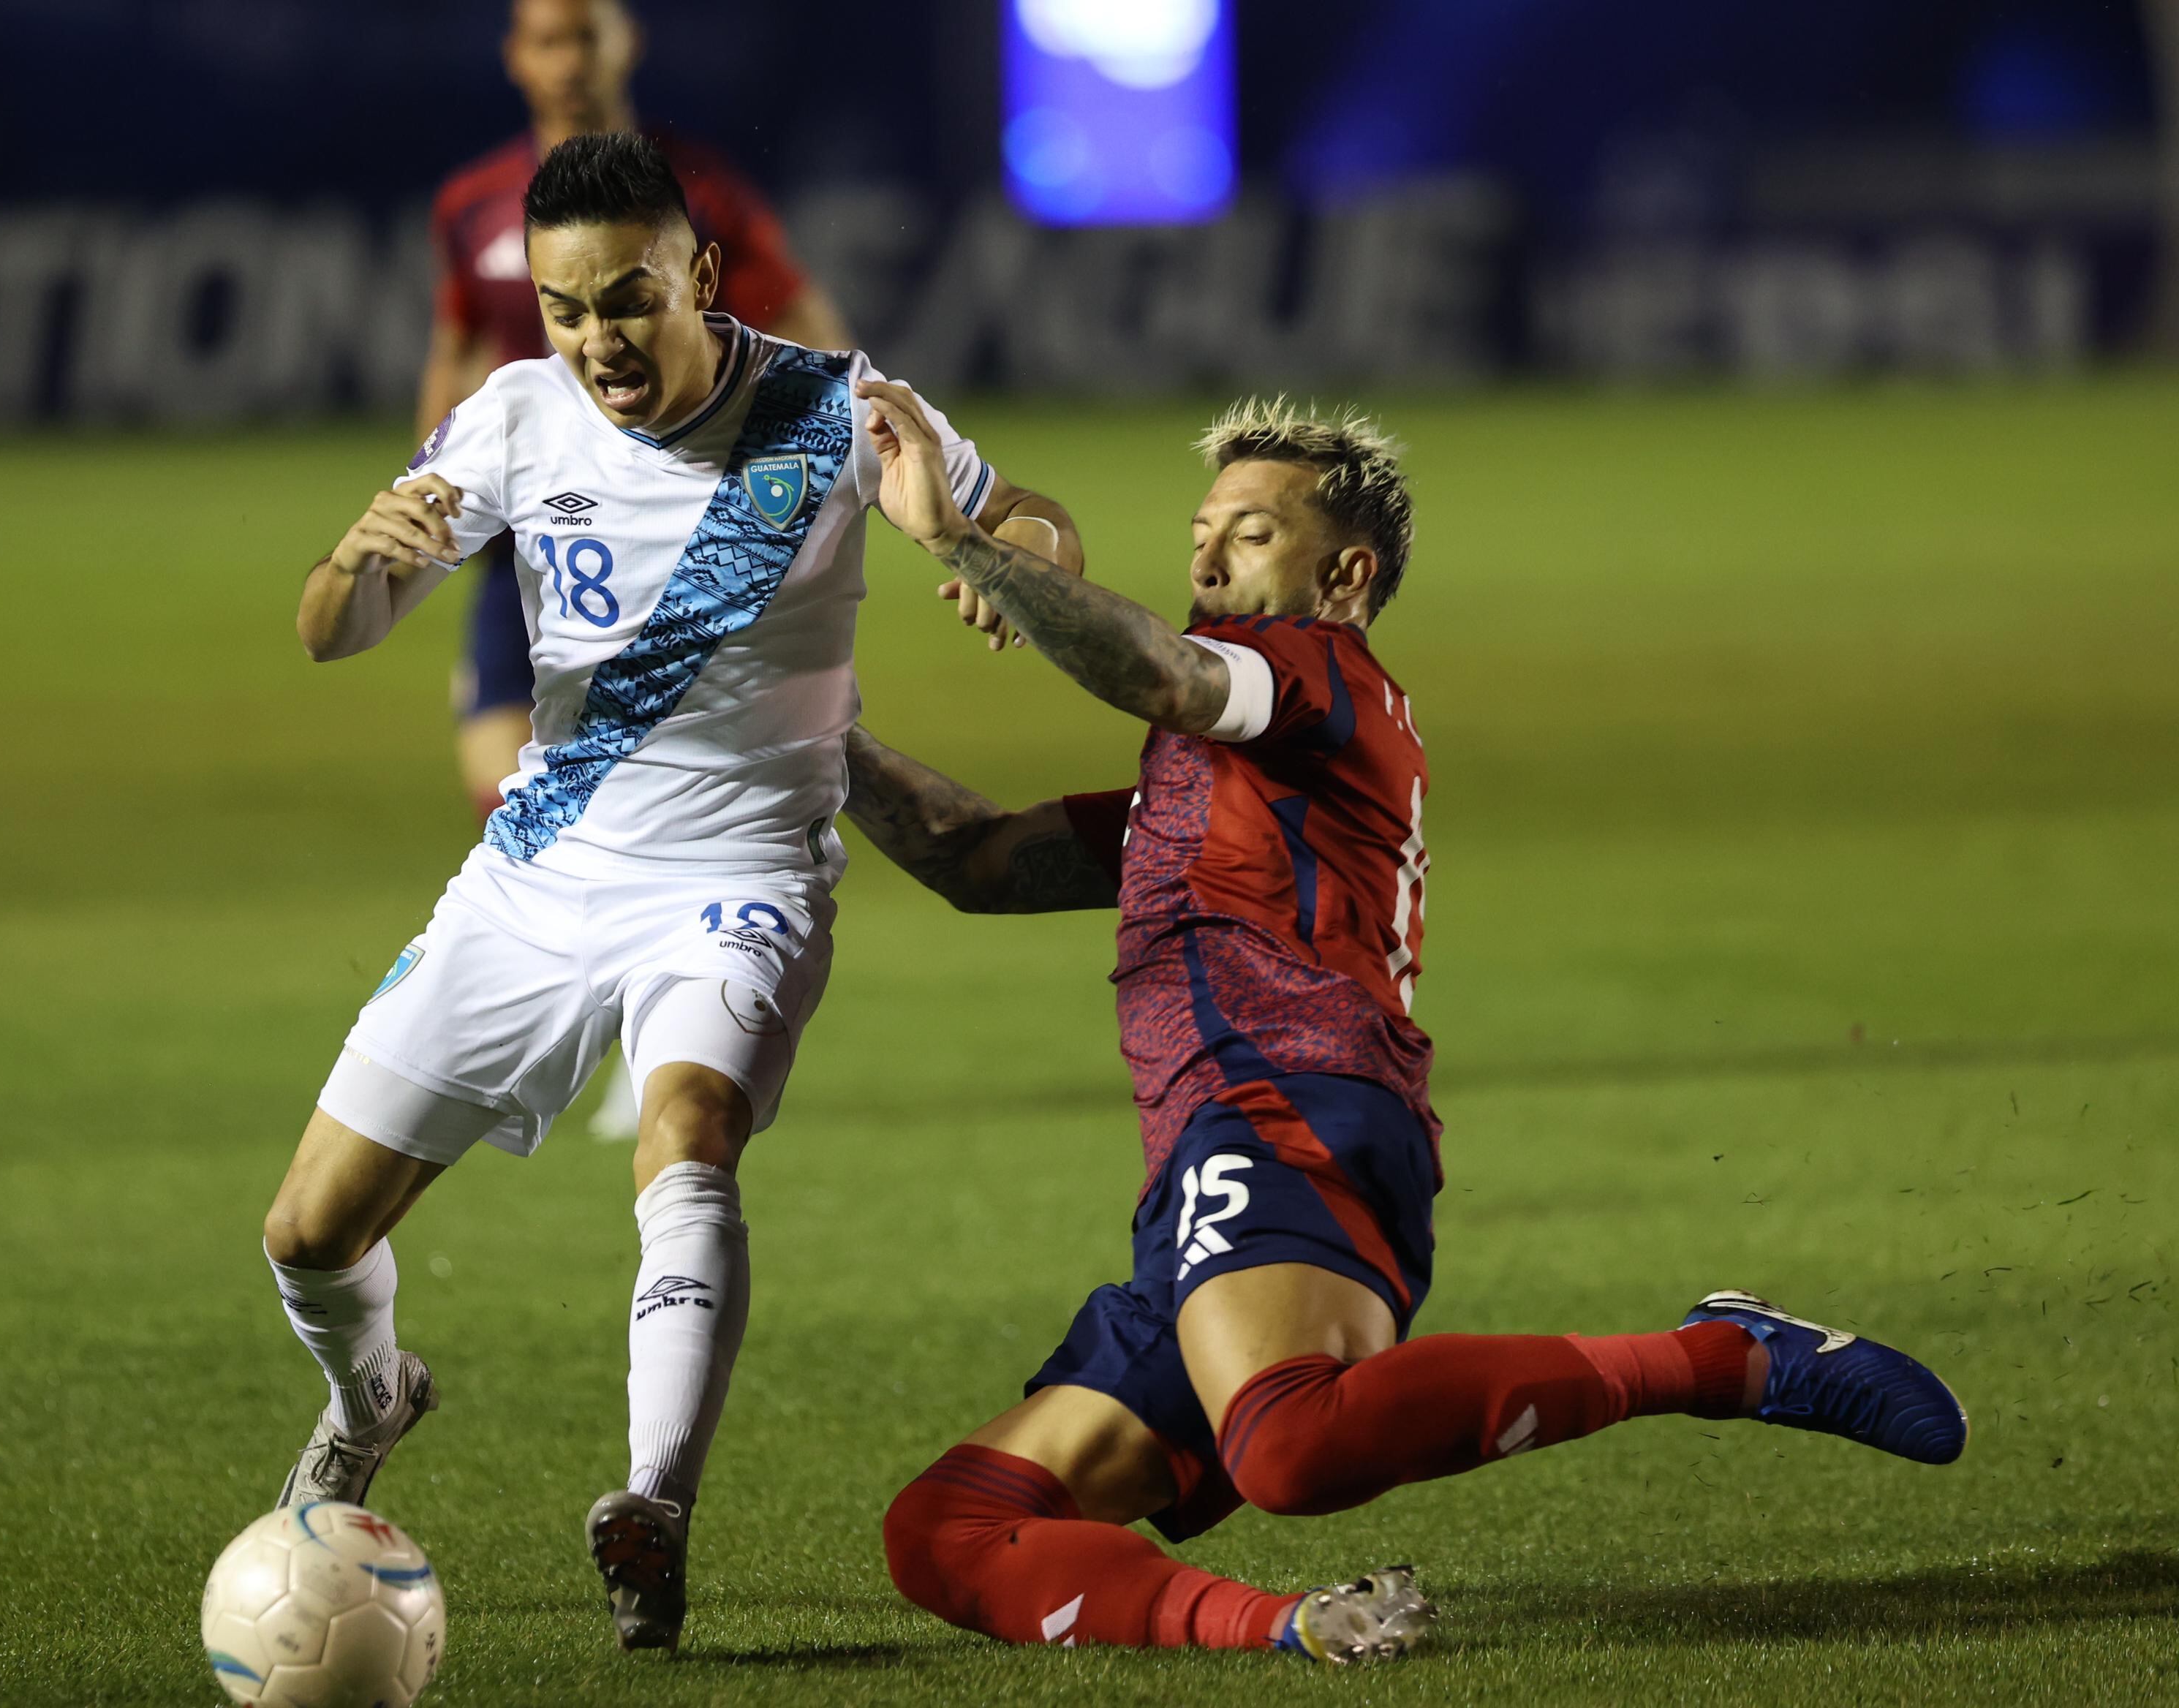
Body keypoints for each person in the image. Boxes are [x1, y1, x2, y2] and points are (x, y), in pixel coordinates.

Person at [832, 393, 1971, 1663]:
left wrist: (964, 544)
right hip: (1207, 1162)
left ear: (1346, 573)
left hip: (1289, 1104)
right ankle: (1297, 1628)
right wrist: (809, 733)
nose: (1206, 558)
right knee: (951, 1525)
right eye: (1202, 530)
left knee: (1293, 1448)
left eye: (1250, 534)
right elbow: (974, 859)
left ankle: (1722, 1358)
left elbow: (1159, 665)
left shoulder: (1320, 679)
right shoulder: (1215, 768)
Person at [261, 132, 1079, 1654]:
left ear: (698, 276)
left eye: (625, 302)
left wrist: (981, 549)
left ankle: (652, 1509)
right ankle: (371, 1393)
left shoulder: (838, 409)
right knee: (306, 1234)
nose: (595, 343)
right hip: (534, 878)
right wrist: (354, 567)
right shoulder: (510, 416)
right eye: (568, 311)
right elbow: (329, 628)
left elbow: (1037, 516)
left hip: (740, 873)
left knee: (689, 1128)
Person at [424, 0, 856, 1142]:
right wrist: (429, 499)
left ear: (627, 47)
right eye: (546, 38)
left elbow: (808, 326)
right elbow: (461, 346)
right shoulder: (473, 205)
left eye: (588, 34)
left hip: (666, 548)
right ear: (515, 57)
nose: (569, 59)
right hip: (526, 548)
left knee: (653, 784)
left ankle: (659, 1018)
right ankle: (589, 991)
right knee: (501, 778)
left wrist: (828, 469)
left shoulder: (695, 196)